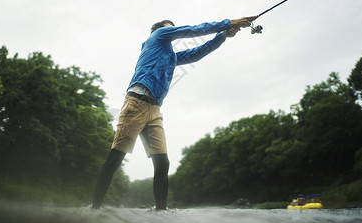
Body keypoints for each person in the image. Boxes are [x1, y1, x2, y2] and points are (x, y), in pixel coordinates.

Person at [92, 16, 257, 210]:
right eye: (171, 28)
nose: (173, 31)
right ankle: (94, 209)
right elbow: (193, 30)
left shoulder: (170, 56)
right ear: (159, 31)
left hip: (154, 110)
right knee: (116, 157)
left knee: (162, 163)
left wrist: (222, 36)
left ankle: (161, 212)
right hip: (136, 102)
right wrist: (231, 22)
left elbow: (197, 53)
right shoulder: (158, 36)